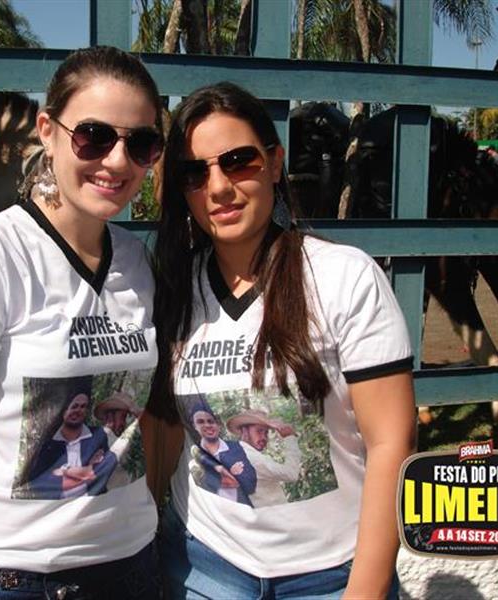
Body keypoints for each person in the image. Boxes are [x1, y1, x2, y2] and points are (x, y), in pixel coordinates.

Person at [0, 46, 164, 599]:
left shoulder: (137, 261)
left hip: (133, 564)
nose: (117, 161)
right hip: (20, 576)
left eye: (141, 143)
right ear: (48, 132)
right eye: (94, 136)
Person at [146, 82, 417, 599]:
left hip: (332, 574)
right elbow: (164, 430)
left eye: (238, 162)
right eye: (194, 173)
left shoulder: (344, 277)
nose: (218, 187)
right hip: (203, 567)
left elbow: (392, 443)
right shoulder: (175, 289)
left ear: (274, 163)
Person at [28, 392, 117, 500]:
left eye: (83, 407)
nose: (78, 411)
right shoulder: (48, 444)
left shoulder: (98, 436)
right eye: (74, 406)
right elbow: (39, 482)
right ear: (63, 409)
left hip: (93, 504)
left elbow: (109, 465)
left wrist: (63, 472)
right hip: (58, 506)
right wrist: (87, 470)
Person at [226, 409, 301, 508]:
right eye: (259, 431)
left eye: (266, 433)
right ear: (244, 431)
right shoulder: (252, 458)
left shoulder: (240, 453)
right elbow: (291, 474)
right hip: (274, 514)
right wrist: (290, 438)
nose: (264, 437)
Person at [187, 403, 256, 506]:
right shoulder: (194, 456)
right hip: (216, 512)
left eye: (210, 421)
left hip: (243, 509)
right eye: (200, 422)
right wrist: (229, 474)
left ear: (218, 425)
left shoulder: (236, 447)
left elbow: (251, 486)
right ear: (194, 426)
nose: (207, 425)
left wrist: (229, 477)